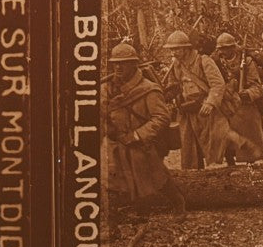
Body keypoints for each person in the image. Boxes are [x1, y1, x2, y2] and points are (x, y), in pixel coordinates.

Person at [103, 42, 179, 208]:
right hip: (116, 140)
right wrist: (109, 129)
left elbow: (161, 118)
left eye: (123, 63)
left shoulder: (149, 89)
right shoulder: (107, 88)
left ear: (134, 64)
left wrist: (137, 135)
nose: (118, 67)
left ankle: (178, 202)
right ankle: (121, 209)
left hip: (142, 143)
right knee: (109, 170)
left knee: (157, 177)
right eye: (115, 63)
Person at [161, 30, 251, 169]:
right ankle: (194, 171)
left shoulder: (204, 61)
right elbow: (174, 85)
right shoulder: (176, 65)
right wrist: (168, 94)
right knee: (188, 141)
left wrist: (210, 103)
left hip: (206, 106)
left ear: (186, 48)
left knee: (219, 136)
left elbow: (218, 84)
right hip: (188, 109)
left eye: (176, 49)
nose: (173, 53)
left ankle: (235, 161)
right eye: (171, 49)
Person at [211, 32, 263, 166]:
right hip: (226, 101)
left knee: (248, 121)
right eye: (220, 49)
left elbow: (257, 87)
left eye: (226, 48)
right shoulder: (215, 62)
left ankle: (250, 159)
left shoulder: (247, 62)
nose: (223, 52)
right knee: (221, 126)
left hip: (245, 103)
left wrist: (247, 93)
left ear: (233, 48)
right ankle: (229, 159)